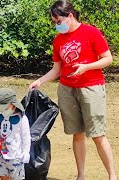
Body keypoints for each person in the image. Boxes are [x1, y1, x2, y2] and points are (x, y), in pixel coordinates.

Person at [28, 1, 117, 180]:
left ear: (70, 15)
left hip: (91, 88)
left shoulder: (91, 32)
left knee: (98, 135)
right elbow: (57, 69)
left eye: (58, 20)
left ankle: (112, 176)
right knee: (77, 134)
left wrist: (86, 67)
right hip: (67, 90)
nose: (56, 25)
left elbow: (108, 59)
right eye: (53, 22)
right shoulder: (58, 40)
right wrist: (40, 81)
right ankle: (81, 176)